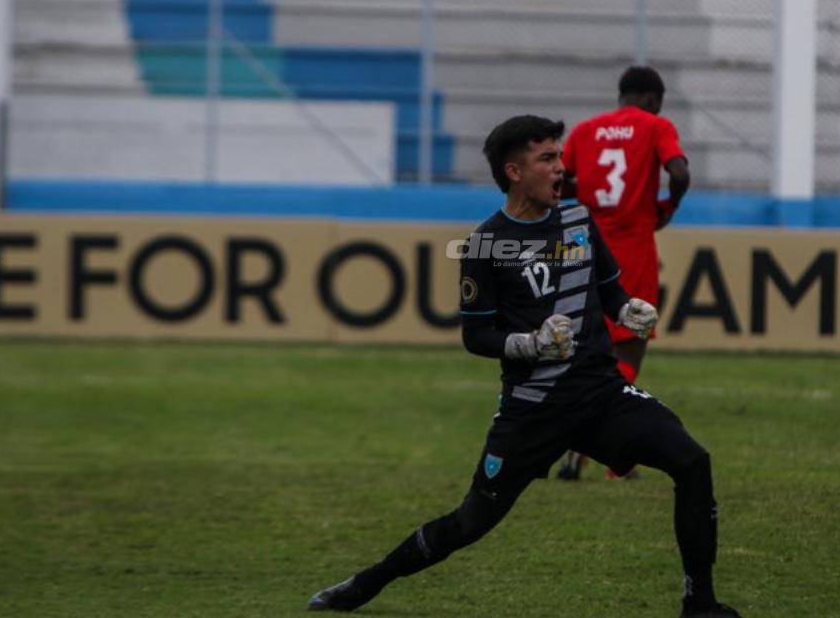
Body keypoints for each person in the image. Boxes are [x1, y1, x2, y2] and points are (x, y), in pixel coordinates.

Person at [308, 115, 740, 617]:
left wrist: (626, 310)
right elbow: (477, 336)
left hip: (601, 394)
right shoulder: (486, 244)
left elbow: (609, 290)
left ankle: (700, 603)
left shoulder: (579, 221)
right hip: (534, 410)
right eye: (548, 159)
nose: (562, 168)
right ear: (515, 171)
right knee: (469, 523)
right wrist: (530, 344)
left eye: (560, 156)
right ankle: (363, 585)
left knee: (692, 461)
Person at [556, 66, 690, 481]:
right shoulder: (656, 125)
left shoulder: (584, 131)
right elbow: (680, 173)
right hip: (633, 251)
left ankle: (609, 454)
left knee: (589, 351)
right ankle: (599, 452)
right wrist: (665, 209)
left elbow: (558, 182)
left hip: (588, 250)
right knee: (627, 354)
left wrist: (586, 211)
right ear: (651, 99)